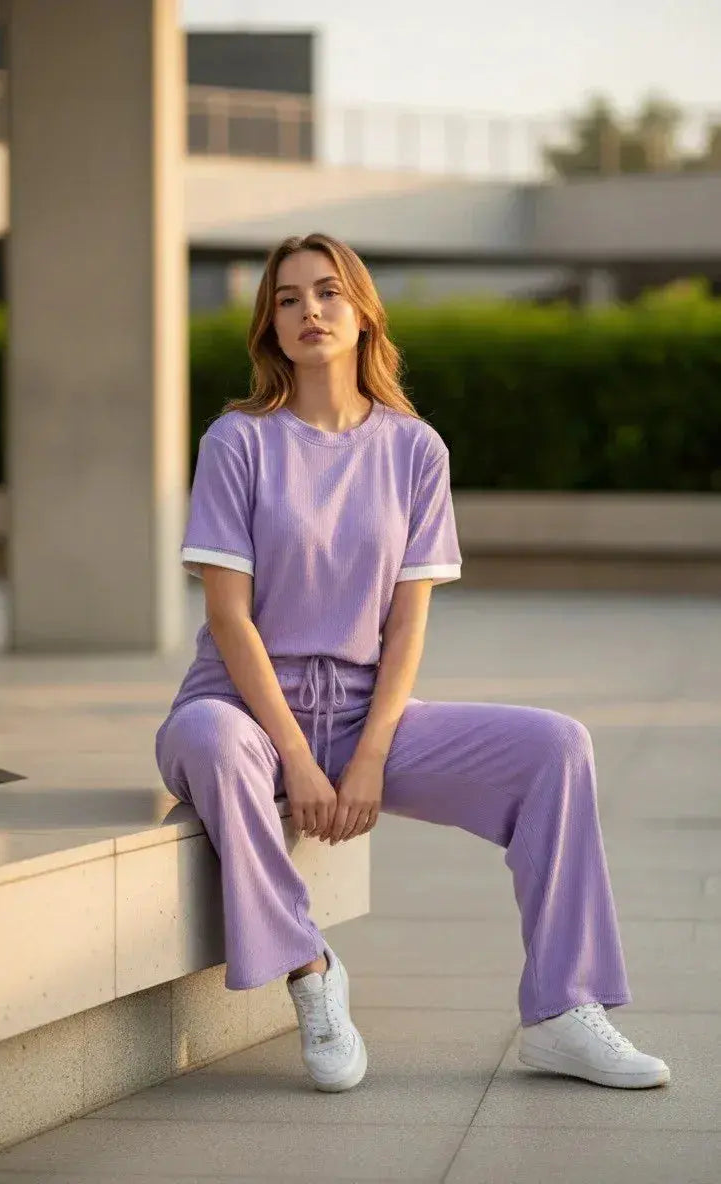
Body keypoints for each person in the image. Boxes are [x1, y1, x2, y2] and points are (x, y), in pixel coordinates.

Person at [154, 231, 670, 1094]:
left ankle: (562, 1013)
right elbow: (227, 620)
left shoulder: (414, 451)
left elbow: (406, 628)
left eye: (326, 292)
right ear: (269, 327)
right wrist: (295, 758)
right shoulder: (237, 442)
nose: (308, 310)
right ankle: (310, 972)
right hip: (243, 711)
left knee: (555, 747)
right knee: (207, 737)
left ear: (362, 314)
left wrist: (366, 757)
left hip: (364, 711)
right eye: (286, 298)